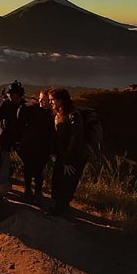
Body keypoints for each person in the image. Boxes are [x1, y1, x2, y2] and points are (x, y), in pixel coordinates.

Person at [48, 88, 87, 216]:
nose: (51, 102)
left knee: (66, 184)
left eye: (52, 100)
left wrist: (68, 160)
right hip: (62, 156)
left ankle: (62, 211)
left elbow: (75, 140)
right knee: (58, 182)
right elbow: (56, 137)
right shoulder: (58, 114)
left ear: (61, 100)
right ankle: (58, 210)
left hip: (73, 158)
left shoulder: (73, 115)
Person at [19, 91, 55, 202]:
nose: (40, 101)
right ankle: (28, 190)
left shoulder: (53, 115)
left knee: (39, 170)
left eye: (43, 99)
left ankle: (38, 191)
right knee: (28, 169)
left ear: (49, 101)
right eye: (40, 99)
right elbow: (21, 118)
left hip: (43, 147)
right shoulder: (33, 109)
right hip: (29, 145)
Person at [0, 80, 28, 153]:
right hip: (5, 138)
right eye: (9, 93)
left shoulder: (25, 106)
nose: (9, 95)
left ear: (18, 94)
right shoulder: (5, 104)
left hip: (19, 139)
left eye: (12, 94)